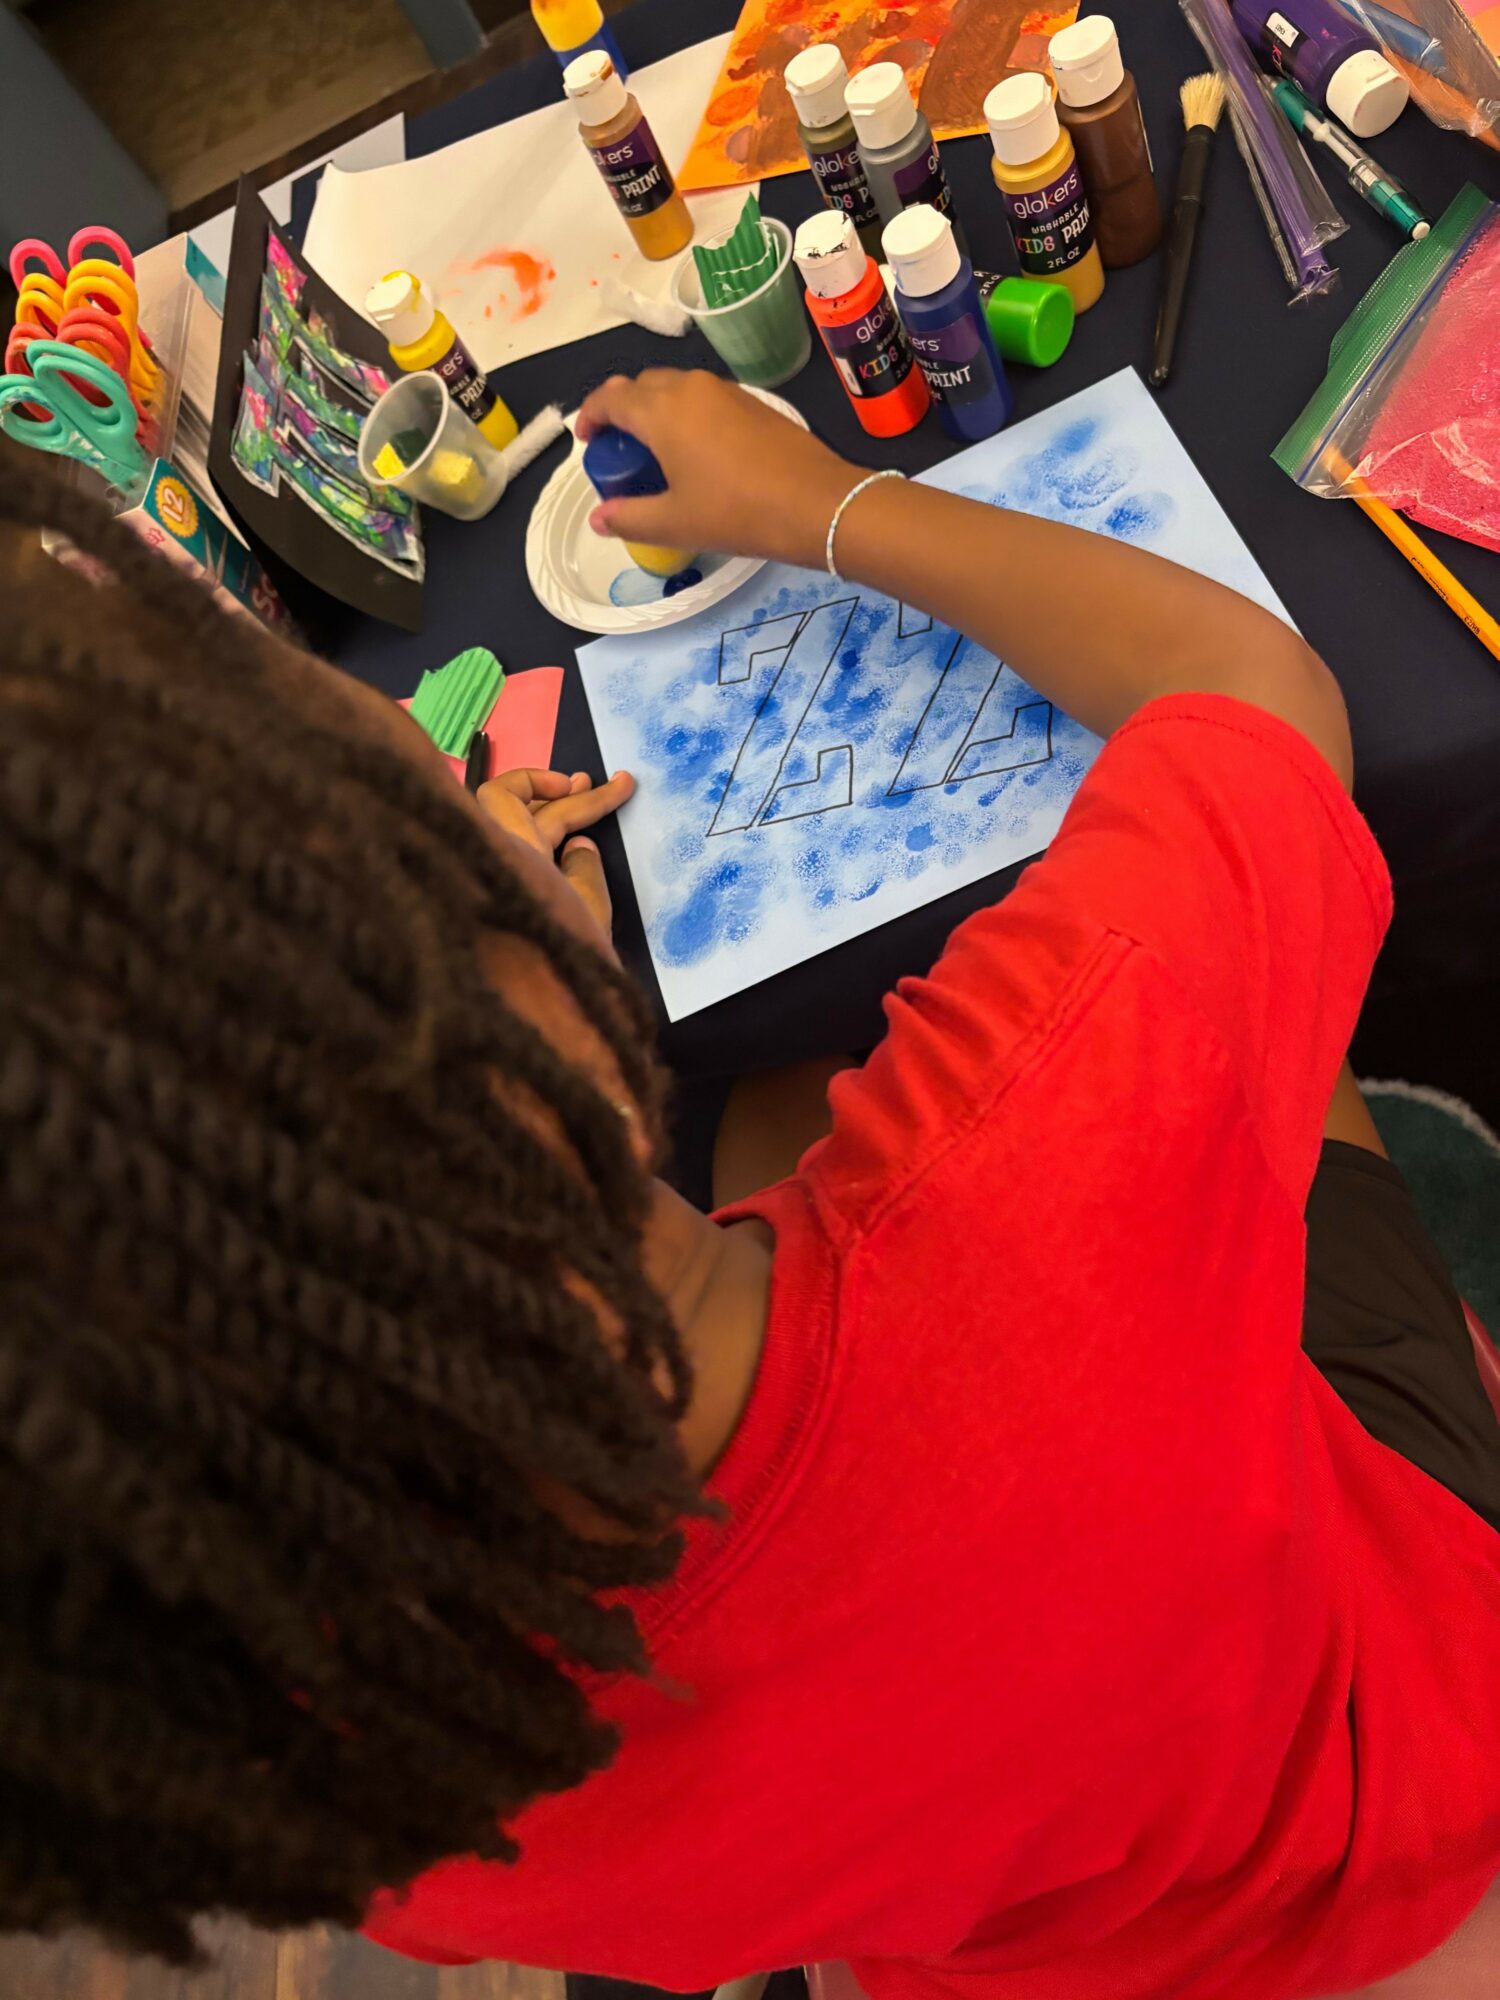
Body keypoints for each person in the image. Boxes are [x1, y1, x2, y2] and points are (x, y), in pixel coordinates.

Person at [0, 370, 1495, 2000]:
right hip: (1398, 1747)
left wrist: (478, 961)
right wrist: (815, 501)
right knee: (1272, 1023)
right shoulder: (1054, 1139)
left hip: (1015, 1937)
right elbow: (1253, 691)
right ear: (522, 1021)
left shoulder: (340, 1749)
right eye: (423, 826)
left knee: (780, 1094)